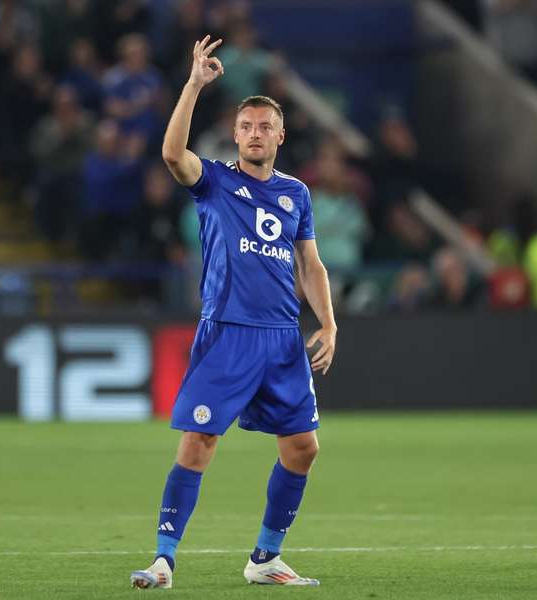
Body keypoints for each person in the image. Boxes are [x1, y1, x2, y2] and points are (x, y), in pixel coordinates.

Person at [129, 35, 336, 589]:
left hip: (282, 339)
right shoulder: (217, 182)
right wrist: (194, 85)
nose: (254, 134)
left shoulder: (297, 194)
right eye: (246, 126)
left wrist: (329, 321)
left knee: (303, 448)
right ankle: (164, 560)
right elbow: (173, 155)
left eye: (264, 127)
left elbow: (310, 265)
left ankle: (265, 558)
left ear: (280, 136)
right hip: (228, 334)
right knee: (199, 443)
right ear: (236, 134)